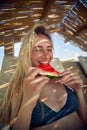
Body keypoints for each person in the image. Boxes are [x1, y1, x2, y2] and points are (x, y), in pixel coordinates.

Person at [0, 22, 87, 130]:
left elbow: (84, 121)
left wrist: (78, 91)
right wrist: (28, 100)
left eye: (49, 49)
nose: (46, 56)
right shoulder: (20, 86)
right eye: (38, 49)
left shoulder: (63, 80)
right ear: (26, 54)